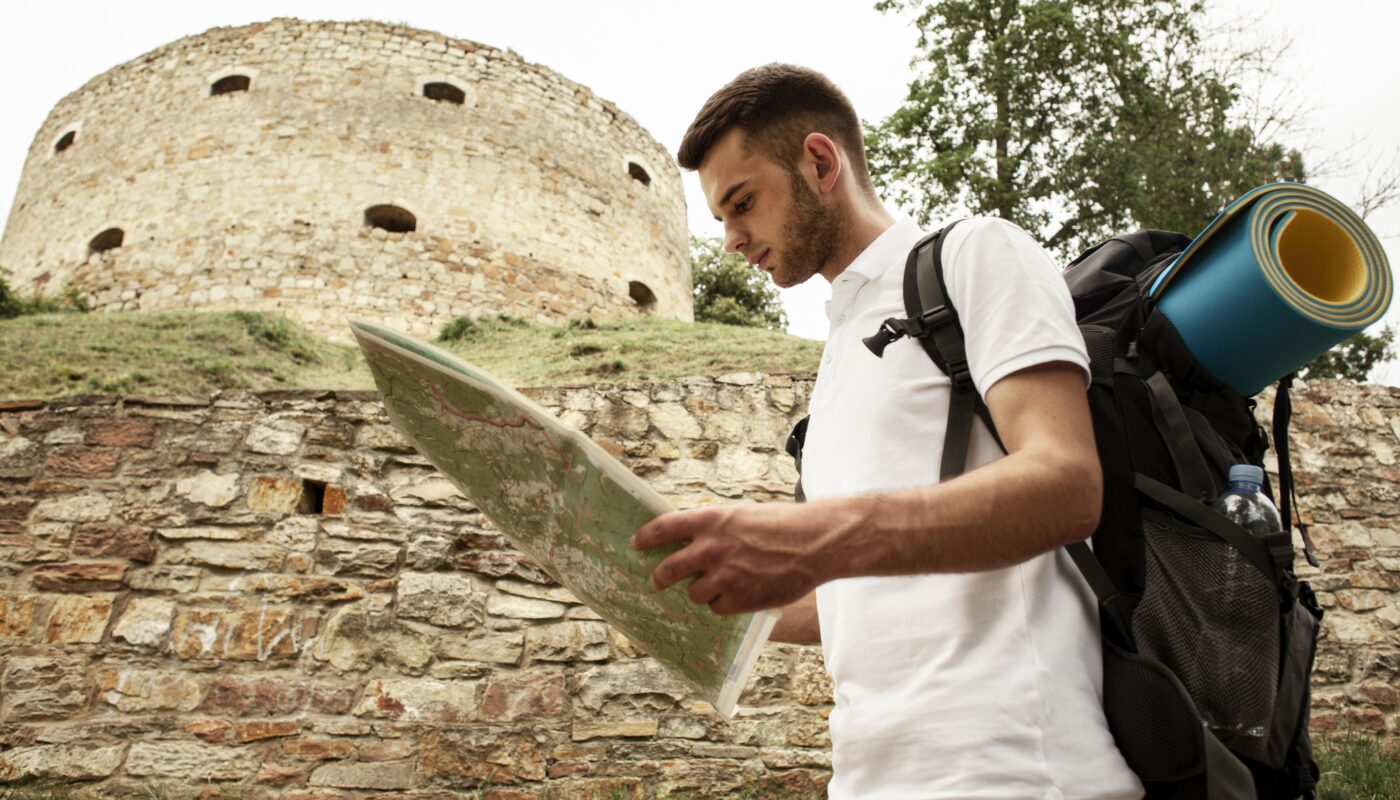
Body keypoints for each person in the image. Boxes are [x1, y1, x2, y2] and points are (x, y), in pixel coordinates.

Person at [630, 64, 1144, 799]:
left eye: (742, 203)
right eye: (720, 219)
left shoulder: (975, 254)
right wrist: (695, 591)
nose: (732, 240)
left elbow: (1066, 484)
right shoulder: (837, 355)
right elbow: (846, 593)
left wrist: (809, 536)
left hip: (1016, 774)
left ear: (819, 162)